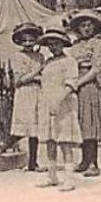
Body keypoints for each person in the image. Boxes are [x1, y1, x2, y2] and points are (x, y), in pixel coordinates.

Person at [0, 22, 44, 171]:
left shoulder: (40, 56)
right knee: (23, 127)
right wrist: (37, 73)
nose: (28, 43)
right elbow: (19, 80)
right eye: (25, 41)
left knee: (35, 131)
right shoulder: (18, 56)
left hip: (38, 92)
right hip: (25, 93)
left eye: (31, 40)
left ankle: (33, 162)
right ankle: (4, 146)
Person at [37, 28, 82, 191]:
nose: (53, 47)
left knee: (65, 142)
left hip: (63, 105)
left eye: (56, 44)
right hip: (47, 104)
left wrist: (58, 100)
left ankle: (69, 179)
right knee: (50, 141)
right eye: (50, 44)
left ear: (63, 44)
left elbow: (71, 84)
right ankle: (52, 175)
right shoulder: (48, 62)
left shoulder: (70, 62)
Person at [72, 47, 101, 177]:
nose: (85, 28)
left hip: (90, 86)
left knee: (91, 124)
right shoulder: (76, 44)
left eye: (88, 25)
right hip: (77, 88)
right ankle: (84, 160)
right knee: (82, 124)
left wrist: (78, 82)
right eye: (82, 25)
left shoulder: (97, 44)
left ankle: (93, 163)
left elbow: (95, 69)